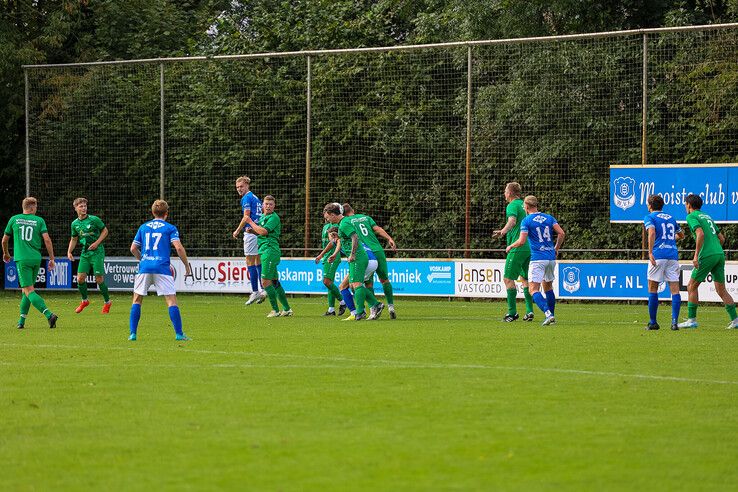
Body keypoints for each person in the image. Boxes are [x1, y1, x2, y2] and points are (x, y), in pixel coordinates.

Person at [129, 199, 193, 341]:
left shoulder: (144, 227)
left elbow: (133, 248)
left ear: (153, 212)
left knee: (137, 300)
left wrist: (143, 260)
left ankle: (133, 334)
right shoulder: (170, 228)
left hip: (145, 267)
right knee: (171, 301)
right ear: (166, 213)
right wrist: (187, 266)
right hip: (162, 268)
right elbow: (178, 248)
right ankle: (179, 334)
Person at [678, 194, 738, 329]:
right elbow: (721, 239)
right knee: (721, 290)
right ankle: (736, 320)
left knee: (691, 286)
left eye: (685, 204)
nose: (685, 207)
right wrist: (715, 250)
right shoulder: (707, 216)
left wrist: (696, 255)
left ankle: (691, 320)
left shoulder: (691, 216)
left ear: (689, 205)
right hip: (719, 254)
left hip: (707, 255)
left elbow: (700, 234)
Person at [505, 195, 565, 326]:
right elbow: (561, 233)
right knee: (548, 287)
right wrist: (556, 248)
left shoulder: (526, 221)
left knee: (533, 290)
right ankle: (552, 316)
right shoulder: (549, 218)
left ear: (526, 206)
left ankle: (548, 314)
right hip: (550, 257)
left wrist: (510, 246)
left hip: (538, 259)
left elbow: (521, 241)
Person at [2, 197, 58, 329]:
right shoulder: (39, 220)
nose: (36, 209)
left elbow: (4, 240)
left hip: (22, 259)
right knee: (26, 291)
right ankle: (21, 322)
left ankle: (49, 315)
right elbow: (47, 240)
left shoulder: (14, 219)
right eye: (36, 206)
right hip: (35, 258)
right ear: (32, 207)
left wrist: (6, 253)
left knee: (28, 290)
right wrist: (51, 259)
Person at [325, 203, 383, 321]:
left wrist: (352, 254)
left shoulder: (344, 223)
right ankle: (375, 304)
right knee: (353, 285)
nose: (327, 220)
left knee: (356, 284)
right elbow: (347, 238)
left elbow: (355, 237)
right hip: (359, 257)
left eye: (328, 217)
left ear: (332, 215)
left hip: (358, 257)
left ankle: (360, 312)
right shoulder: (344, 223)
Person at [343, 203, 398, 318]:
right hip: (378, 250)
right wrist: (389, 238)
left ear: (343, 214)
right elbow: (377, 229)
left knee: (364, 283)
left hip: (366, 252)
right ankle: (391, 306)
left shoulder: (347, 222)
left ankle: (373, 309)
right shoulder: (366, 217)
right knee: (385, 280)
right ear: (353, 210)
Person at [493, 182, 535, 322]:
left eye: (505, 191)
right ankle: (529, 311)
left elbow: (512, 221)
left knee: (508, 279)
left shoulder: (512, 205)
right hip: (529, 246)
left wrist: (503, 232)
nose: (504, 193)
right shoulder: (524, 206)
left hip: (517, 247)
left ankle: (512, 313)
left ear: (510, 193)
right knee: (525, 279)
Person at [245, 195, 292, 317]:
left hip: (270, 251)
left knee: (265, 282)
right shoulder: (263, 218)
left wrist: (250, 222)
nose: (268, 206)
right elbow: (261, 232)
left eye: (271, 204)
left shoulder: (274, 218)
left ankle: (275, 311)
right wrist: (253, 231)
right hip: (265, 250)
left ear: (274, 206)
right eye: (266, 204)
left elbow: (264, 232)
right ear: (263, 205)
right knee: (275, 282)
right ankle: (287, 309)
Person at [643, 194, 684, 331]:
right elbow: (681, 235)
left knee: (652, 287)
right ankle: (674, 323)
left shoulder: (650, 217)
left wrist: (650, 252)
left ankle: (653, 322)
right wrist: (669, 241)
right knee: (675, 289)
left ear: (650, 205)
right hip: (672, 255)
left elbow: (652, 232)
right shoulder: (671, 218)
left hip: (658, 255)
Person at [67, 197, 112, 314]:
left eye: (85, 206)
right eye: (81, 206)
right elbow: (74, 239)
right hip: (85, 253)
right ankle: (84, 301)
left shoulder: (94, 219)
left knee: (99, 279)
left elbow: (105, 231)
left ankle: (107, 302)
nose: (84, 208)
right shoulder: (74, 224)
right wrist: (69, 252)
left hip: (97, 252)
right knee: (80, 278)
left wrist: (97, 243)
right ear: (75, 208)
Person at [232, 176, 266, 305]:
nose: (239, 189)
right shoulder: (256, 198)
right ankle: (263, 290)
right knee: (257, 260)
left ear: (247, 185)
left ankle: (255, 291)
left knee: (249, 261)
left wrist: (237, 230)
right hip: (257, 231)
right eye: (237, 187)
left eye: (241, 186)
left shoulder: (246, 198)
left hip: (250, 233)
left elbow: (246, 217)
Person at [314, 220, 347, 316]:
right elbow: (329, 243)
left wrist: (326, 255)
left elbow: (334, 244)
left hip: (334, 258)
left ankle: (343, 302)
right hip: (327, 258)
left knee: (326, 281)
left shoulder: (337, 226)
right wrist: (321, 256)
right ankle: (331, 309)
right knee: (329, 283)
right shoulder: (326, 227)